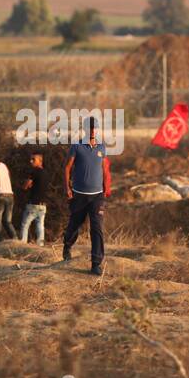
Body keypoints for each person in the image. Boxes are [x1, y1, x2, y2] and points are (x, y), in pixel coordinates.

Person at [63, 117, 112, 276]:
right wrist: (68, 188)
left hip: (97, 196)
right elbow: (67, 168)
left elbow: (104, 169)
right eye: (89, 128)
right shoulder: (76, 146)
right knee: (74, 225)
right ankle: (67, 245)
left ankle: (96, 264)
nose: (92, 131)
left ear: (97, 130)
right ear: (85, 129)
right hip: (79, 195)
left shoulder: (102, 147)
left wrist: (106, 188)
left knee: (97, 229)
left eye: (94, 128)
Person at [20, 151, 49, 245]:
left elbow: (25, 186)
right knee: (40, 226)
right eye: (31, 159)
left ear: (40, 161)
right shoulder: (46, 173)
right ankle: (40, 245)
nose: (30, 161)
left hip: (33, 204)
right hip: (43, 205)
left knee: (25, 225)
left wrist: (26, 185)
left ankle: (22, 245)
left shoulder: (34, 172)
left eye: (33, 159)